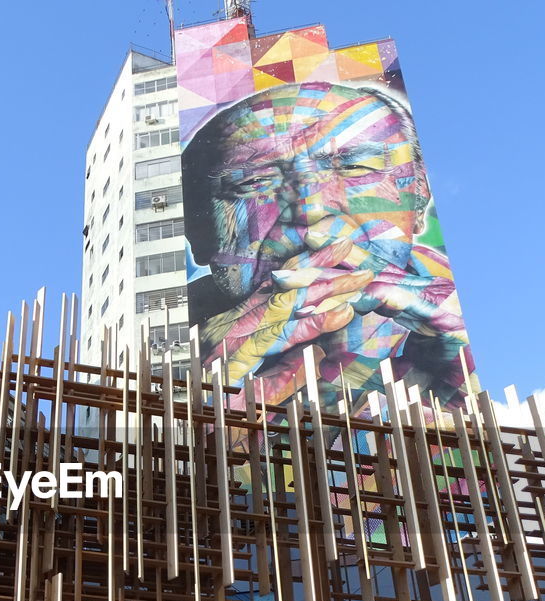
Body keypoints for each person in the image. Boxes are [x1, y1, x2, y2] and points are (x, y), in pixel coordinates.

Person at [182, 81, 474, 411]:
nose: (311, 209)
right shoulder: (154, 346)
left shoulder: (475, 317)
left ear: (418, 200)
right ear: (198, 232)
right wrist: (188, 404)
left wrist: (472, 401)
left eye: (356, 167)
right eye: (253, 183)